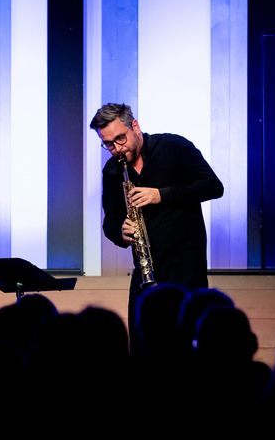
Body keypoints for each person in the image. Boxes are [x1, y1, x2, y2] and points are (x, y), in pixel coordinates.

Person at [90, 103, 223, 329]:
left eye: (121, 139)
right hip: (145, 272)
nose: (116, 149)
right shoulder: (113, 170)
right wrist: (121, 233)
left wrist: (161, 195)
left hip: (185, 268)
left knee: (184, 340)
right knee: (142, 348)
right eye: (108, 144)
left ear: (135, 126)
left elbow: (213, 187)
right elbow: (110, 222)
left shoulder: (173, 147)